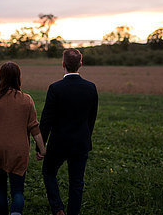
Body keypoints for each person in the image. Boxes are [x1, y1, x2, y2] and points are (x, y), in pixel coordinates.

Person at [0, 62, 46, 215]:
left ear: (0, 77)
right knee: (17, 191)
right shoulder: (26, 100)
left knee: (0, 188)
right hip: (17, 151)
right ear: (18, 78)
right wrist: (42, 150)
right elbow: (34, 128)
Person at [39, 48, 98, 215]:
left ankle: (58, 209)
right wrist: (86, 137)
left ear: (63, 64)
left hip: (58, 143)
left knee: (48, 172)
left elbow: (46, 120)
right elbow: (91, 119)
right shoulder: (91, 88)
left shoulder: (55, 88)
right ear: (80, 64)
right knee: (77, 183)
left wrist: (40, 146)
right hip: (81, 142)